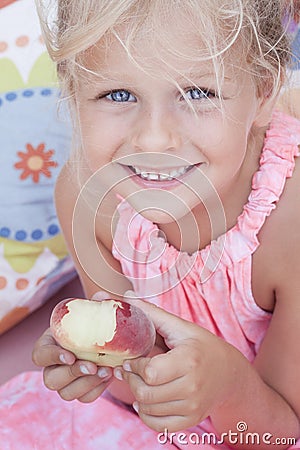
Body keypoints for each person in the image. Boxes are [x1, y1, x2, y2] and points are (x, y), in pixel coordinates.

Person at [1, 0, 300, 449]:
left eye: (199, 92)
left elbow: (281, 432)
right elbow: (133, 383)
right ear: (71, 90)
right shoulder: (88, 198)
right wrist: (102, 361)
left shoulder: (289, 222)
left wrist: (226, 384)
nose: (155, 139)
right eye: (118, 95)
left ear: (262, 91)